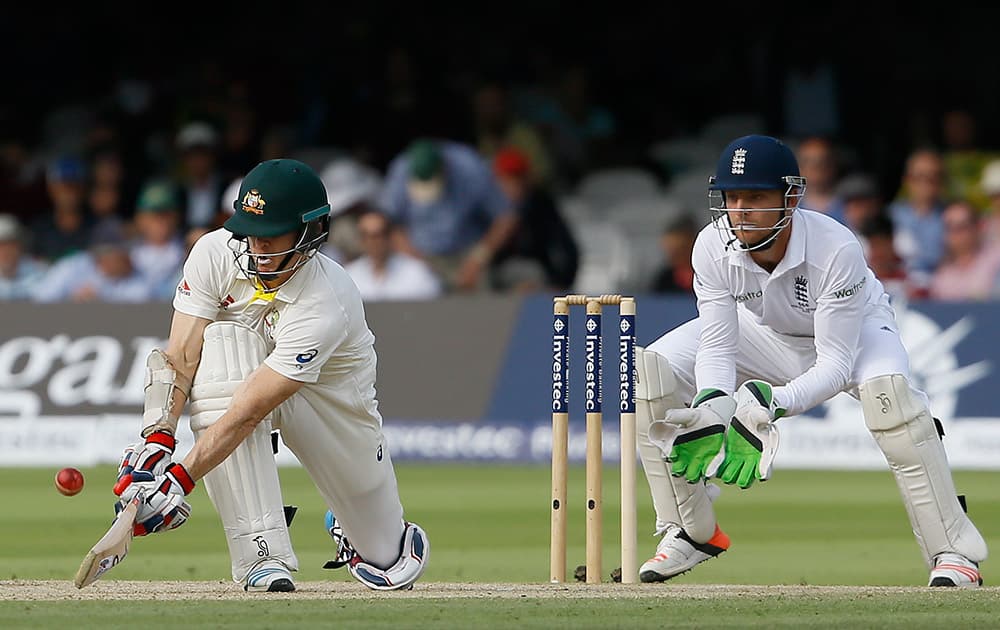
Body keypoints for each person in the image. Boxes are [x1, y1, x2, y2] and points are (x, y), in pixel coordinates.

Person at [633, 135, 987, 588]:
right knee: (654, 370)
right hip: (762, 332)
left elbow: (835, 364)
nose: (740, 210)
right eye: (732, 196)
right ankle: (691, 530)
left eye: (756, 197)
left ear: (791, 196)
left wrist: (771, 402)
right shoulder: (710, 246)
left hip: (855, 335)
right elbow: (718, 346)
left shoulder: (835, 247)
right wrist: (712, 406)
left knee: (892, 402)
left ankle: (952, 551)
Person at [111, 158, 430, 593]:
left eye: (270, 235)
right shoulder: (212, 253)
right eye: (249, 233)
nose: (256, 248)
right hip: (242, 377)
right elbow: (181, 356)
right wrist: (156, 441)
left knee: (389, 561)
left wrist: (178, 480)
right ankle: (262, 555)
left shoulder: (326, 300)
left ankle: (353, 527)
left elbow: (250, 409)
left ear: (309, 233)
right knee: (222, 343)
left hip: (332, 405)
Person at [344, 210, 442, 301]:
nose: (373, 242)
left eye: (378, 235)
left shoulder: (417, 273)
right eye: (366, 235)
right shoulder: (349, 276)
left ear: (390, 236)